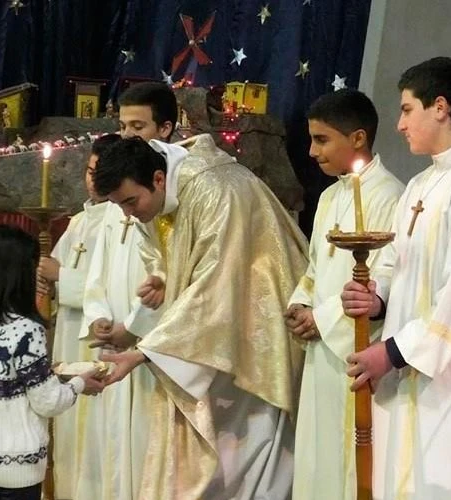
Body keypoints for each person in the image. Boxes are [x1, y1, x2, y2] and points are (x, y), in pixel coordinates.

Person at [340, 57, 451, 499]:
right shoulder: (420, 186)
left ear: (440, 107)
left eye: (406, 109)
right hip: (410, 373)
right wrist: (377, 299)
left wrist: (392, 352)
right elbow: (398, 264)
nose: (399, 124)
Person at [93, 134, 310, 499]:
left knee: (251, 446)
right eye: (119, 206)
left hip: (257, 325)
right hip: (211, 325)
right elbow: (170, 251)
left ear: (158, 179)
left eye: (130, 201)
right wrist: (164, 276)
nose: (128, 214)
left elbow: (218, 282)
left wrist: (144, 353)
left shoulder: (216, 190)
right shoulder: (164, 189)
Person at [285, 89, 404, 500]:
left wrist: (322, 318)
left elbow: (386, 276)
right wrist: (301, 304)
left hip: (355, 348)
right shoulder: (330, 196)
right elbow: (316, 267)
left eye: (322, 139)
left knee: (348, 460)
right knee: (316, 456)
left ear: (357, 138)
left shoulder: (390, 195)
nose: (312, 151)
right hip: (322, 348)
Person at [70, 82, 174, 500]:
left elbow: (169, 277)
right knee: (111, 446)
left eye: (138, 126)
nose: (128, 135)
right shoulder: (119, 201)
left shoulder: (168, 195)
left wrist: (133, 327)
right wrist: (99, 316)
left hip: (151, 347)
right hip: (116, 342)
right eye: (123, 126)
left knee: (146, 446)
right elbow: (98, 272)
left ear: (165, 129)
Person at [0, 225, 105, 500]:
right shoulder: (26, 329)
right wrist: (79, 383)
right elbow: (47, 402)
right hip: (19, 463)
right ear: (21, 272)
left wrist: (50, 375)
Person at [35, 133, 118, 499]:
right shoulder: (79, 222)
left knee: (94, 437)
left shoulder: (122, 222)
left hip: (97, 341)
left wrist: (61, 277)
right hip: (69, 333)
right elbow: (51, 274)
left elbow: (115, 289)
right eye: (88, 171)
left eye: (99, 172)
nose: (92, 180)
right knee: (67, 432)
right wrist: (45, 280)